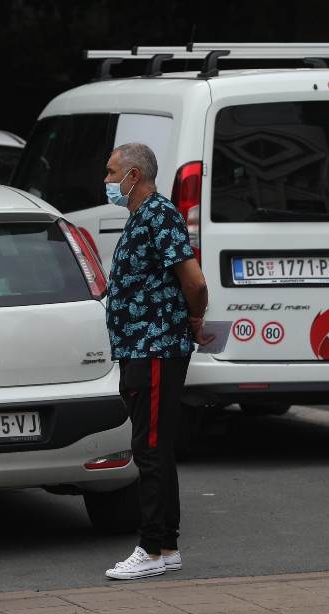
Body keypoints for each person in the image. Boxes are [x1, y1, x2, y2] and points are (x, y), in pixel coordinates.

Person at [101, 143, 210, 580]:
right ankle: (165, 546)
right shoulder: (140, 217)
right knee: (154, 446)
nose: (107, 181)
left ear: (134, 174)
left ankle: (151, 547)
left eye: (111, 173)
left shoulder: (160, 214)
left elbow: (195, 281)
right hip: (140, 349)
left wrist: (195, 315)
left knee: (150, 447)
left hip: (157, 348)